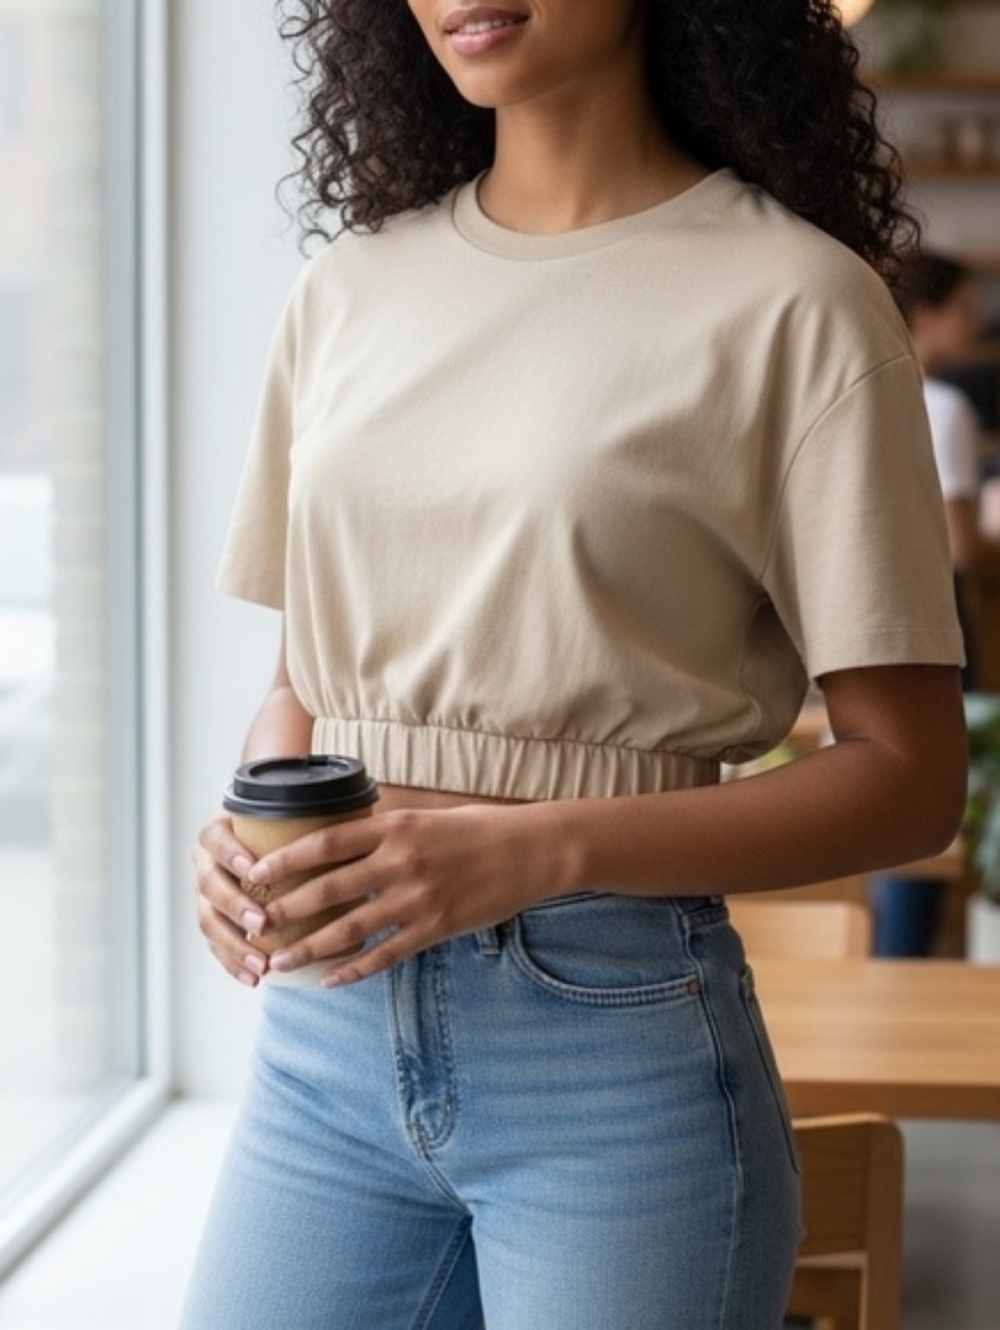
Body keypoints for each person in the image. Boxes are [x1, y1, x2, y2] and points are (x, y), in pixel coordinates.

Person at [182, 3, 968, 1327]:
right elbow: (304, 683)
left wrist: (537, 847)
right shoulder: (347, 291)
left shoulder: (797, 302)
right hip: (324, 1039)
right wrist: (262, 828)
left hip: (611, 1050)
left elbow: (910, 780)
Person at [868, 250, 990, 956]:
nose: (977, 321)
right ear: (926, 315)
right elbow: (961, 548)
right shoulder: (945, 406)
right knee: (930, 803)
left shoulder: (857, 388)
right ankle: (905, 960)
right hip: (934, 621)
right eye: (965, 307)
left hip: (857, 619)